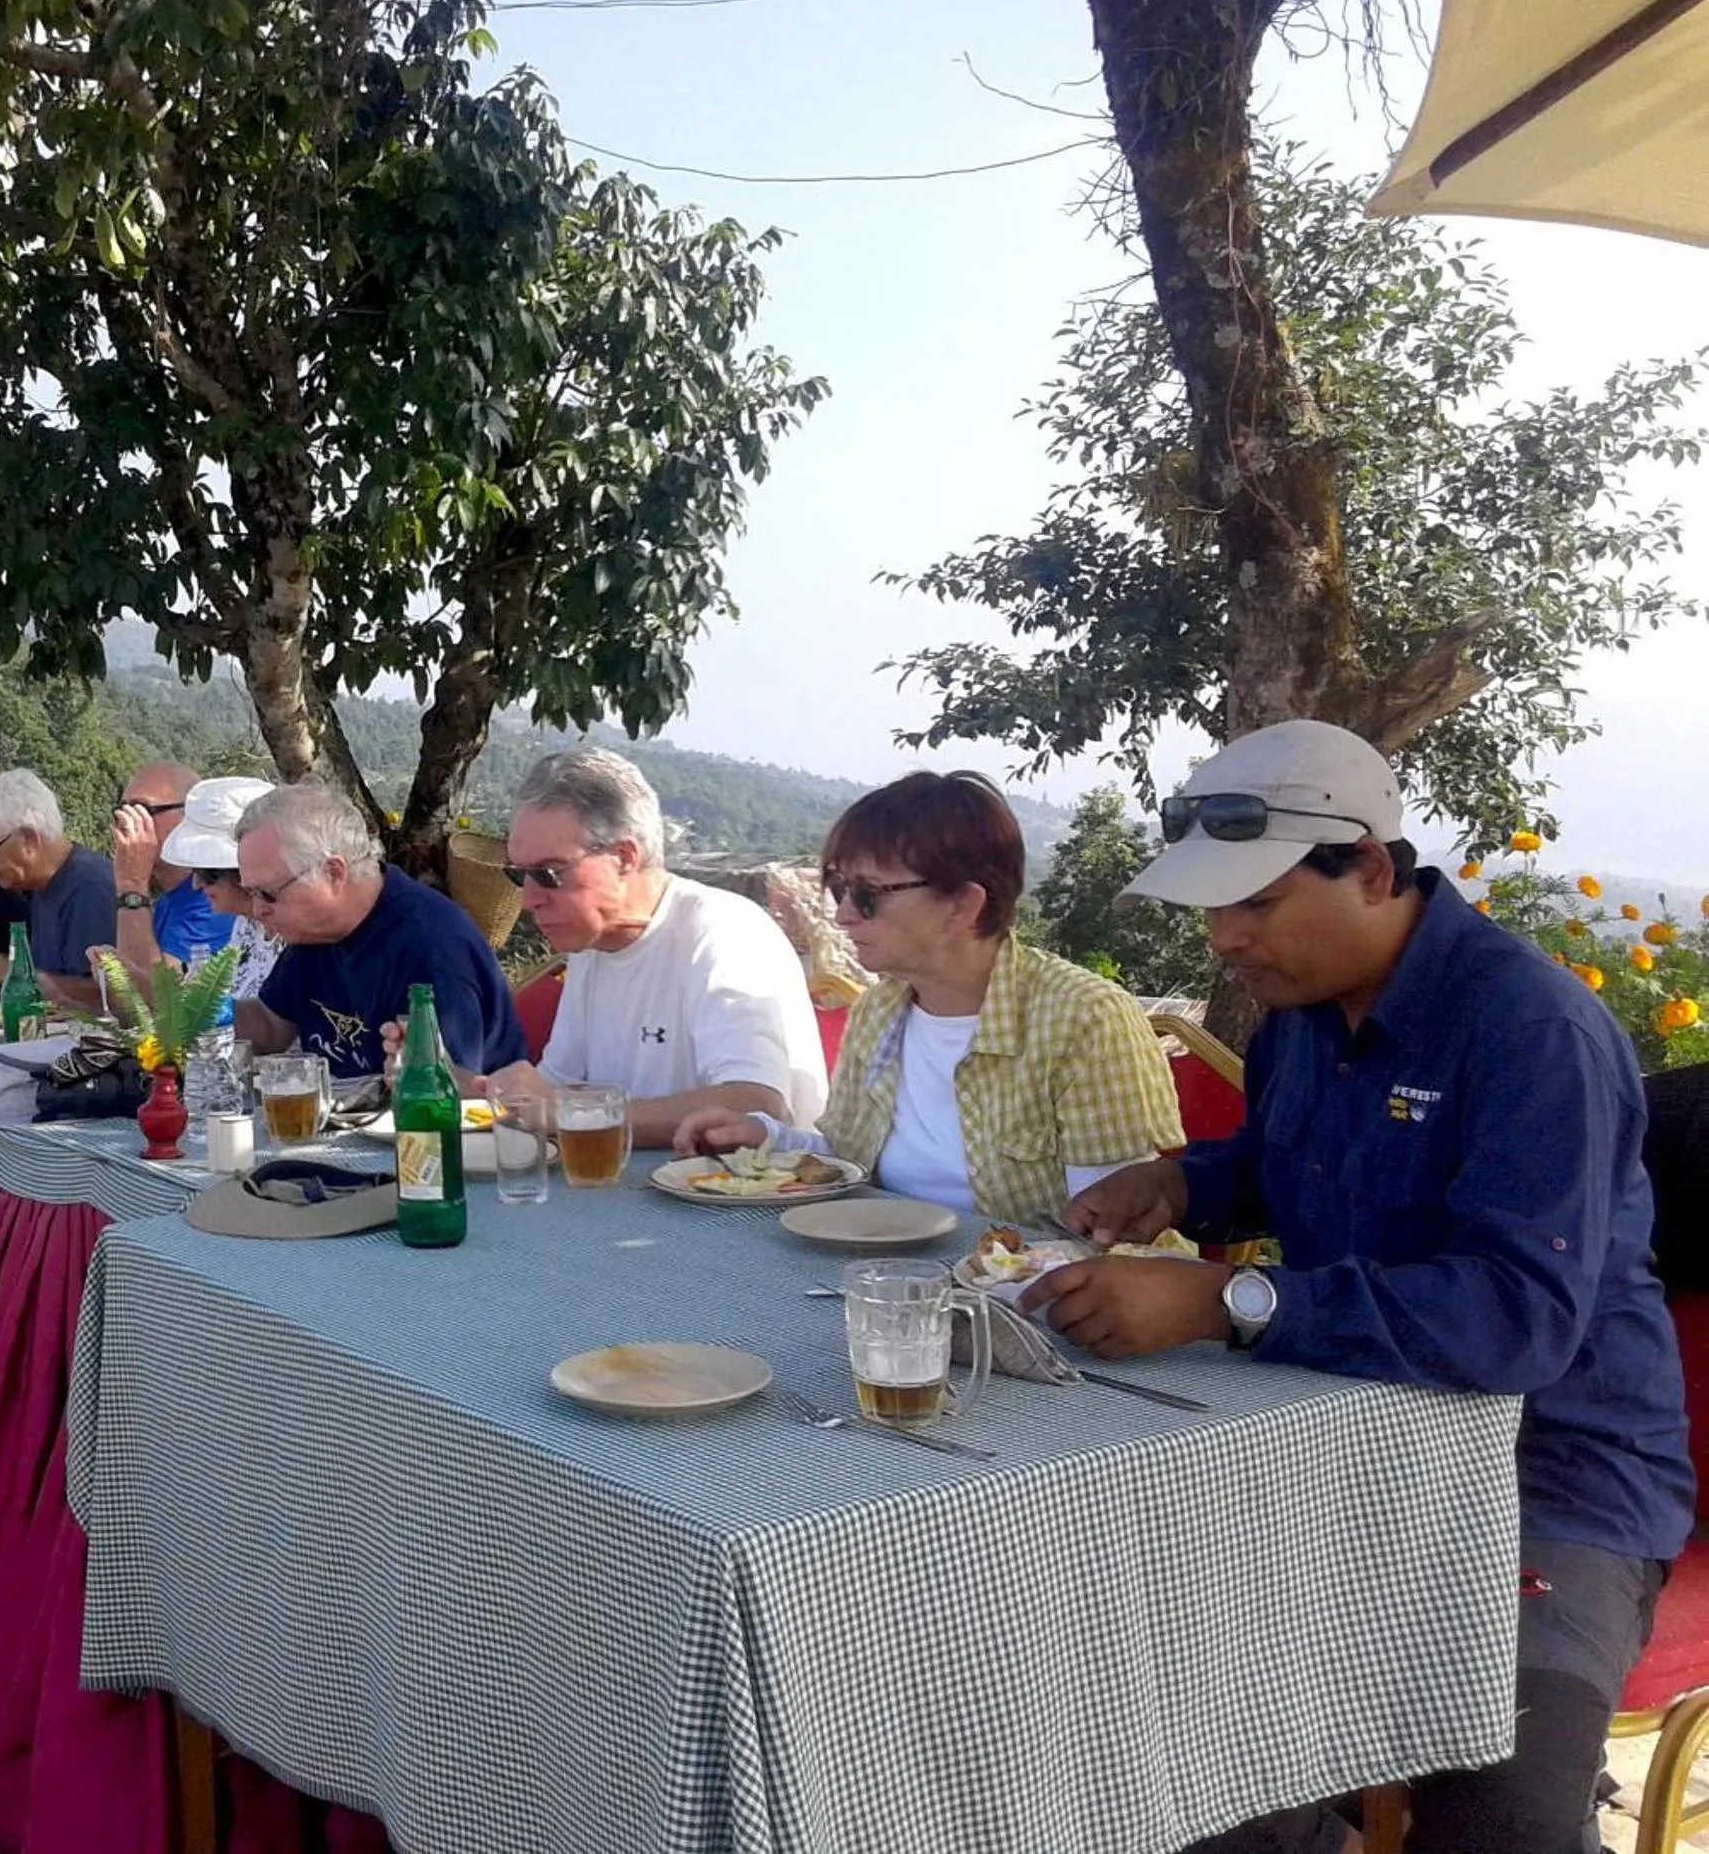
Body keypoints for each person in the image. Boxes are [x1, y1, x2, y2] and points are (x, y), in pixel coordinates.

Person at [1021, 721, 1693, 1854]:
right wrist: (1182, 1184)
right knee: (1143, 1744)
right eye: (1212, 911)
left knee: (1501, 1817)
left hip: (1552, 1473)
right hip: (1343, 1440)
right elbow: (1292, 1167)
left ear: (1373, 869)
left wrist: (1220, 1303)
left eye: (1258, 904)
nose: (1228, 939)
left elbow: (1514, 1317)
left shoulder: (1530, 1032)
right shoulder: (1296, 1011)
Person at [677, 771, 1182, 1225]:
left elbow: (1111, 1229)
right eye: (839, 888)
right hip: (888, 1274)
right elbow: (850, 1160)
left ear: (963, 904)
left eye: (868, 894)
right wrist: (766, 1139)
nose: (843, 915)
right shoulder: (881, 1010)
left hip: (1045, 1304)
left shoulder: (1084, 1019)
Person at [463, 748, 827, 1149]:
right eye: (520, 875)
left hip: (747, 1198)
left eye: (547, 874)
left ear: (623, 857)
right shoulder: (591, 945)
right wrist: (455, 1082)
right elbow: (555, 1092)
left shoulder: (721, 933)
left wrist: (568, 1112)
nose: (529, 898)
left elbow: (756, 1106)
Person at [232, 781, 527, 1078]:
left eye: (268, 893)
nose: (258, 910)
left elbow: (448, 1094)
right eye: (251, 894)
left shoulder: (432, 946)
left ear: (333, 872)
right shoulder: (316, 931)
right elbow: (271, 1027)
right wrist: (202, 1011)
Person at [0, 770, 111, 1011]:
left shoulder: (89, 889)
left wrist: (6, 972)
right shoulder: (41, 886)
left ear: (28, 839)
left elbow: (106, 997)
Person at [144, 776, 282, 1001]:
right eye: (194, 870)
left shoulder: (294, 935)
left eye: (209, 874)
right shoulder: (246, 925)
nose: (197, 884)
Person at [103, 761, 238, 976]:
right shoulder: (168, 899)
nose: (126, 822)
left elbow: (158, 998)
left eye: (142, 810)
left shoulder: (215, 900)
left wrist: (132, 885)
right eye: (123, 810)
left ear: (188, 816)